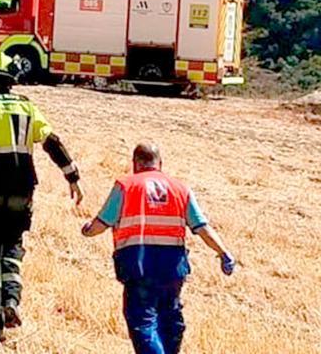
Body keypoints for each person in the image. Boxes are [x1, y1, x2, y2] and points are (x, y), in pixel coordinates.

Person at [0, 63, 84, 343]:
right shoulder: (27, 108)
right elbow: (52, 142)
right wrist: (72, 175)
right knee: (12, 244)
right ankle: (11, 300)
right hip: (21, 190)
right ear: (10, 86)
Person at [81, 143, 236, 354]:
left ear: (135, 163)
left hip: (139, 264)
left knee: (143, 322)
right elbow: (201, 226)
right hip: (172, 268)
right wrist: (223, 252)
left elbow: (102, 222)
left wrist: (88, 230)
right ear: (160, 164)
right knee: (170, 320)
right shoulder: (181, 188)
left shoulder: (126, 185)